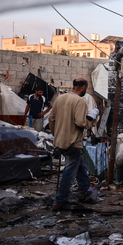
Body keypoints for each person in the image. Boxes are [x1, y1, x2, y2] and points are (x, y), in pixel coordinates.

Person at [49, 78, 99, 211]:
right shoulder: (79, 101)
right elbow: (81, 122)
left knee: (79, 165)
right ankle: (60, 201)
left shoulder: (60, 99)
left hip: (61, 141)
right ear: (83, 87)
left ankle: (83, 191)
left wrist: (56, 134)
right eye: (86, 88)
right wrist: (93, 118)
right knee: (70, 172)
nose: (85, 91)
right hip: (72, 142)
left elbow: (51, 118)